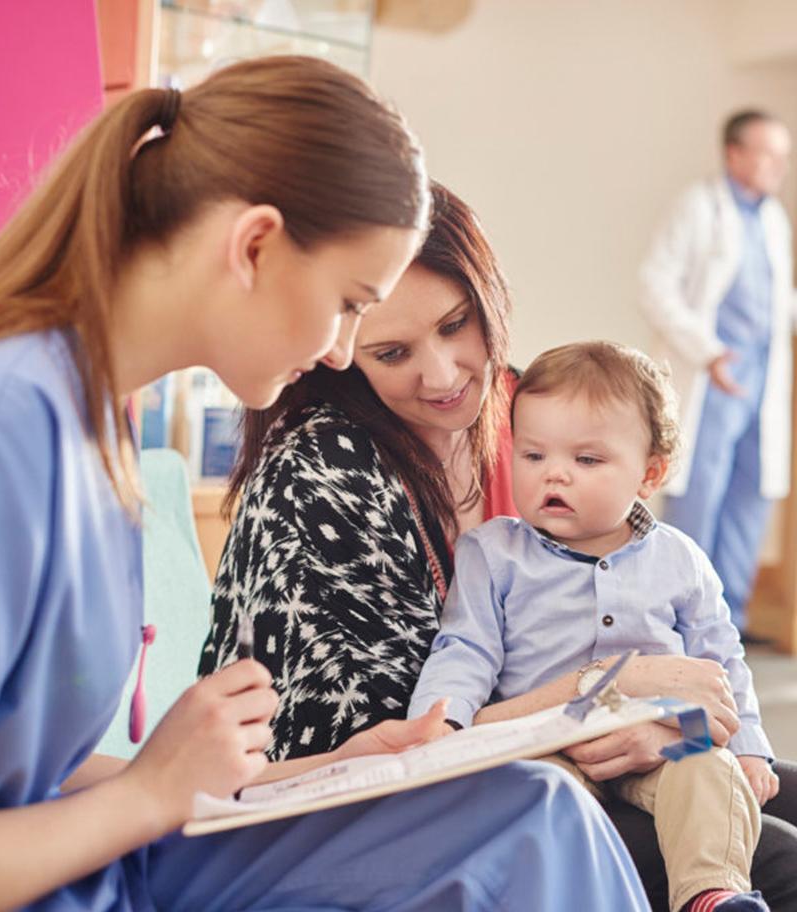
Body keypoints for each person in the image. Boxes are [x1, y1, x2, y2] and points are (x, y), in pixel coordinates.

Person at [0, 56, 653, 912]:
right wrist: (150, 794)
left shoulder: (86, 421)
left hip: (109, 861)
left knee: (531, 813)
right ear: (252, 246)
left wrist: (319, 770)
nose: (339, 351)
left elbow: (21, 777)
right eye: (351, 305)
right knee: (536, 831)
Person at [202, 183, 797, 911]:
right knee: (780, 861)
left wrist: (674, 734)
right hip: (398, 809)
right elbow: (399, 748)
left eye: (458, 324)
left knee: (767, 792)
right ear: (344, 350)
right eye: (393, 352)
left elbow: (712, 667)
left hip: (580, 744)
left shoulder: (515, 415)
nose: (445, 373)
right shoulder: (324, 472)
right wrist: (612, 692)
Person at [408, 340, 778, 912]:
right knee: (542, 801)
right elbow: (465, 646)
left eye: (587, 461)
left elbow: (722, 659)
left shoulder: (681, 559)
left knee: (712, 767)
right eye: (533, 456)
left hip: (666, 736)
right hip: (546, 741)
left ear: (649, 473)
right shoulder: (494, 553)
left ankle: (710, 893)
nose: (555, 474)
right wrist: (441, 721)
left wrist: (750, 746)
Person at [640, 109, 795, 636]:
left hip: (759, 380)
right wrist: (706, 351)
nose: (779, 165)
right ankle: (685, 621)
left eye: (783, 154)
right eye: (767, 153)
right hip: (712, 374)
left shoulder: (773, 218)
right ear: (734, 153)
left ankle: (733, 620)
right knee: (698, 496)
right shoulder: (698, 207)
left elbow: (776, 301)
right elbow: (654, 284)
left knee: (750, 496)